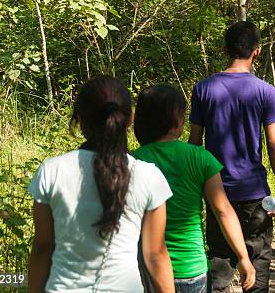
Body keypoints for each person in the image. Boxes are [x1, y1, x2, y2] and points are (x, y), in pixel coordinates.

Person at [28, 76, 174, 293]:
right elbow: (155, 255)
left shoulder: (52, 171)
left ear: (79, 120)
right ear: (130, 120)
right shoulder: (148, 176)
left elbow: (42, 247)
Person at [189, 21, 275, 293]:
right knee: (258, 258)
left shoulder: (204, 89)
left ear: (225, 49)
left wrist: (195, 187)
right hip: (253, 191)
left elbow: (195, 143)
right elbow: (274, 143)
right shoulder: (266, 91)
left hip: (215, 190)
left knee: (219, 259)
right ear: (256, 51)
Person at [133, 84, 256, 293]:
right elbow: (222, 210)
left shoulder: (132, 161)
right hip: (191, 267)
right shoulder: (200, 158)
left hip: (147, 269)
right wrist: (243, 257)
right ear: (176, 119)